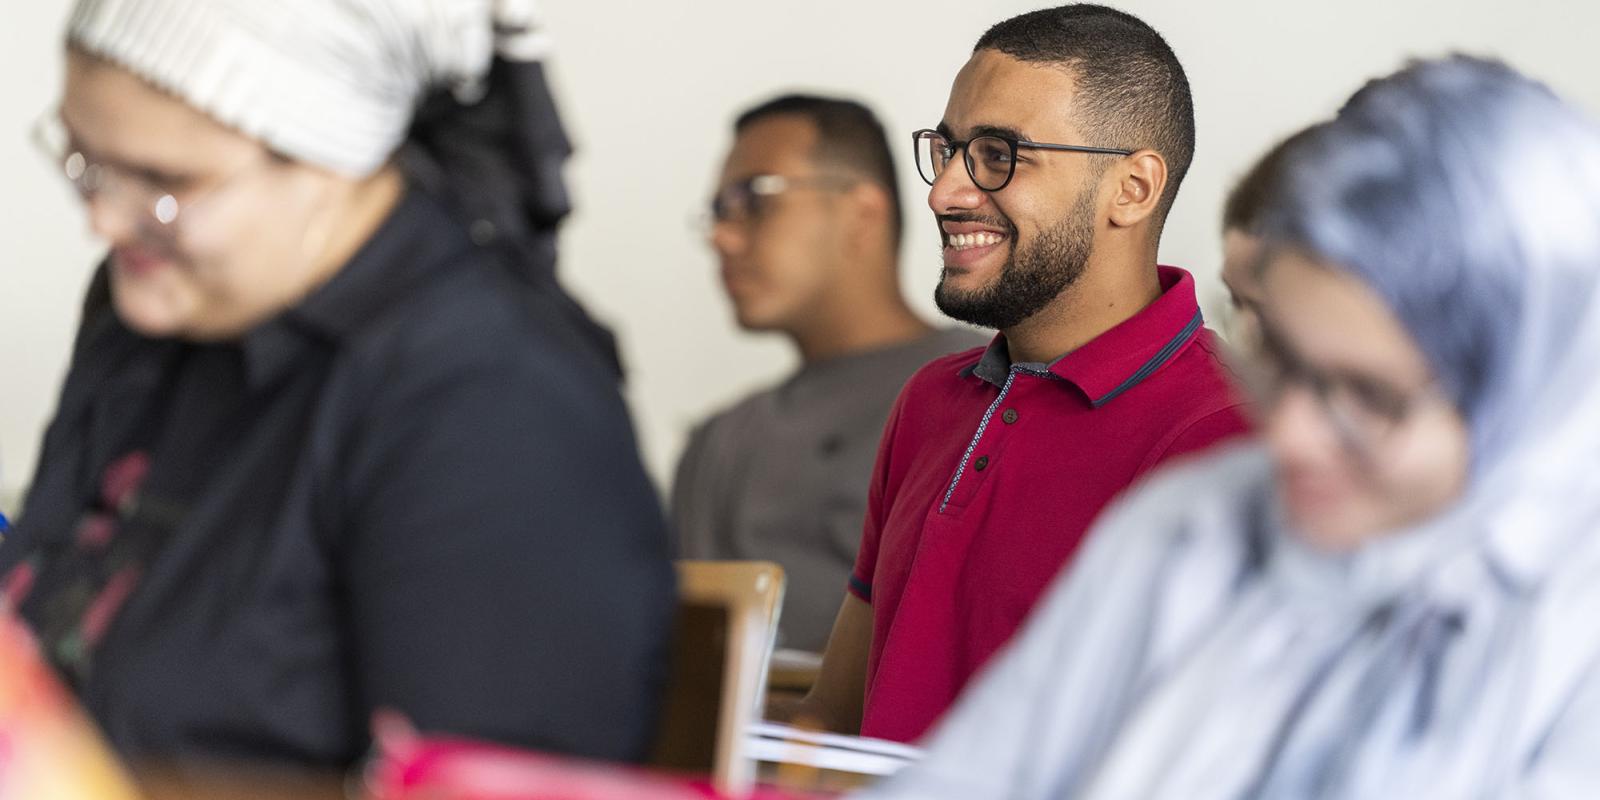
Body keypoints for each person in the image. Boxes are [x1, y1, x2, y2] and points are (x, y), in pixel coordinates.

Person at [860, 55, 1600, 798]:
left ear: (1532, 393)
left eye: (1369, 397)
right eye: (1277, 357)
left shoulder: (1573, 636)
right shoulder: (1185, 528)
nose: (1290, 435)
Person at [0, 0, 674, 771]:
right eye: (83, 159)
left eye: (161, 180)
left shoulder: (492, 401)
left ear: (330, 154)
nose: (104, 222)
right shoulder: (147, 317)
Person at [791, 4, 1252, 742]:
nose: (945, 192)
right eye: (946, 151)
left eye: (999, 155)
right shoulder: (929, 402)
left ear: (1132, 189)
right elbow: (830, 722)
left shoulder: (1230, 433)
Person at [673, 94, 983, 652]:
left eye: (754, 199)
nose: (722, 236)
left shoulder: (986, 395)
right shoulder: (717, 441)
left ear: (862, 214)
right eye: (718, 211)